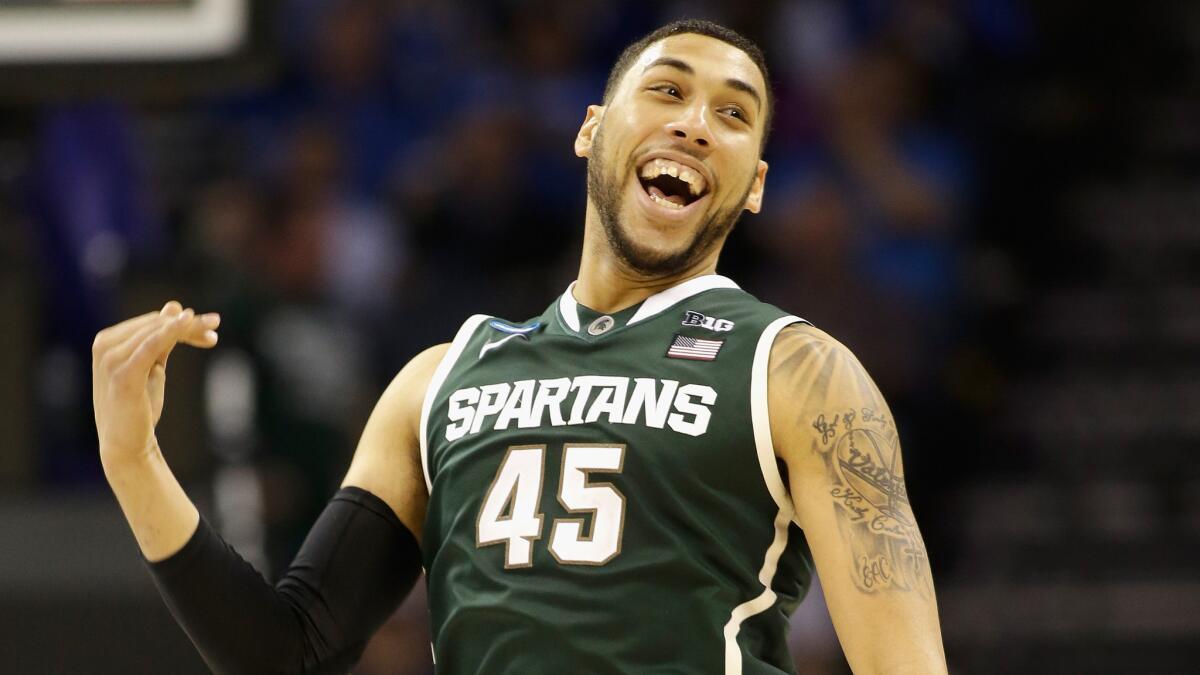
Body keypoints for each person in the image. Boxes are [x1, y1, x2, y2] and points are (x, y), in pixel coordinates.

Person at [92, 19, 947, 674]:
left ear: (755, 184)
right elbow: (284, 651)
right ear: (590, 131)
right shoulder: (440, 379)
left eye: (733, 114)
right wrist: (135, 462)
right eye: (667, 91)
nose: (695, 124)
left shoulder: (796, 370)